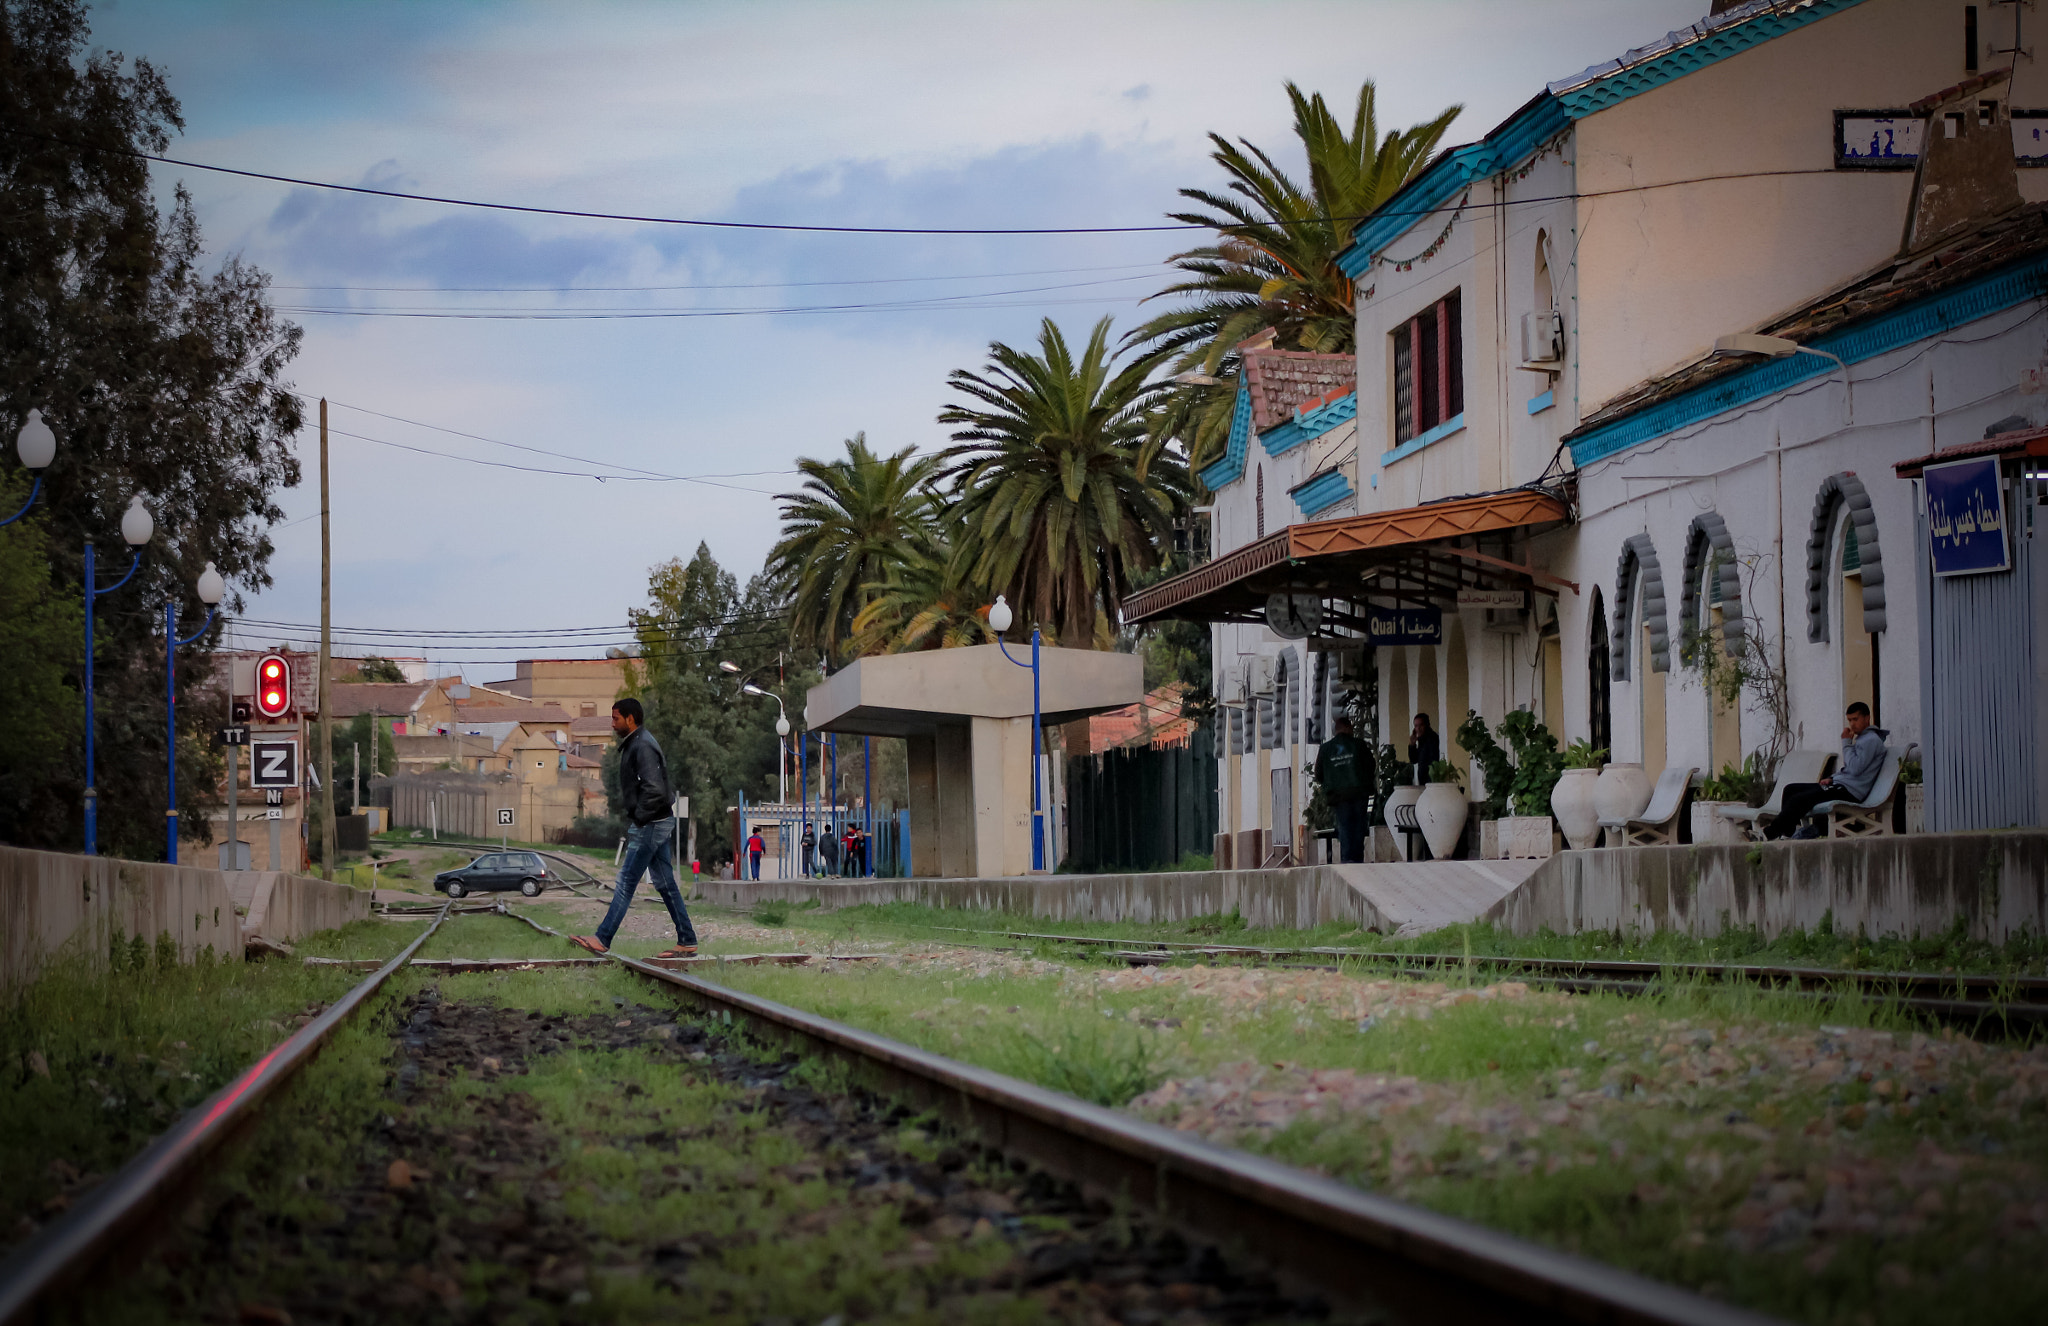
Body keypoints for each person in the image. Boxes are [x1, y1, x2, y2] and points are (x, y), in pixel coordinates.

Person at [571, 699, 698, 958]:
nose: (612, 723)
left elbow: (654, 788)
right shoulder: (637, 742)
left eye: (616, 718)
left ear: (631, 719)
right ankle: (687, 939)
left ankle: (602, 939)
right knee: (665, 883)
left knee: (627, 881)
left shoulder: (642, 745)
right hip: (655, 821)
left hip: (651, 823)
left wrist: (639, 818)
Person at [1764, 702, 1887, 840]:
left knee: (1799, 799)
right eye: (1850, 720)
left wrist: (1846, 743)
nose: (1852, 724)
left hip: (1850, 792)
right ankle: (1788, 831)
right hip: (1840, 786)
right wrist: (1833, 778)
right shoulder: (1863, 739)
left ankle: (1771, 833)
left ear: (1867, 718)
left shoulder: (1870, 740)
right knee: (1790, 789)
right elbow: (1850, 769)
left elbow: (1855, 768)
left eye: (1855, 719)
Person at [1314, 716, 1376, 864]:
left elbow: (1318, 773)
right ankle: (1357, 857)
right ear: (1348, 727)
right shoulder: (1359, 745)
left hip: (1338, 795)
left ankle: (1347, 858)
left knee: (1345, 826)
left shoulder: (1326, 749)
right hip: (1359, 792)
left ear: (1336, 731)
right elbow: (1370, 765)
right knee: (1359, 825)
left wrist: (1331, 783)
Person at [1408, 714, 1441, 784]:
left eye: (1421, 725)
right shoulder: (1421, 741)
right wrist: (1412, 745)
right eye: (1416, 726)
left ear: (1427, 725)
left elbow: (1433, 761)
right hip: (1423, 780)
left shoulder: (1432, 739)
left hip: (1431, 780)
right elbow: (1414, 760)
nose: (1418, 729)